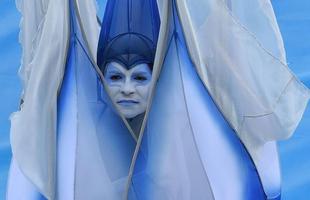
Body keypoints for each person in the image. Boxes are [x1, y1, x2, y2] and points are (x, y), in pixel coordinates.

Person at [7, 0, 309, 199]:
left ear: (156, 80)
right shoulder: (65, 136)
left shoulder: (193, 128)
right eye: (115, 77)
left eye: (139, 78)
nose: (127, 89)